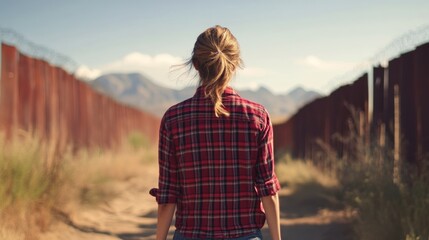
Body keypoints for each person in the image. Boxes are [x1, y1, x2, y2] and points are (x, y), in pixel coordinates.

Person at [155, 25, 281, 240]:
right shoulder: (258, 116)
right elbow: (268, 189)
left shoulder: (173, 119)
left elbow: (168, 195)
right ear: (235, 64)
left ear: (195, 65)